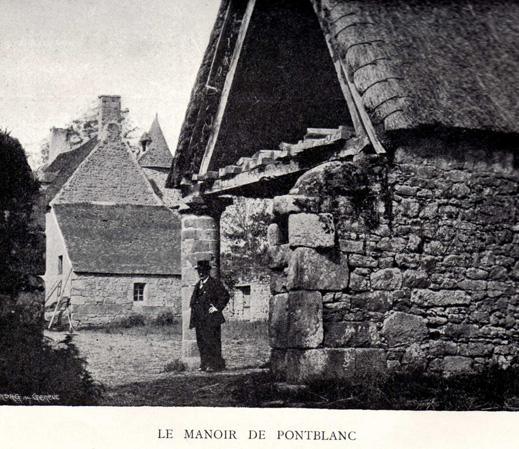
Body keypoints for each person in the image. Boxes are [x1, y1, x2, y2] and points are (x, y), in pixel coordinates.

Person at [189, 259, 230, 372]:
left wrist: (217, 307)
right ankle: (204, 363)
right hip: (200, 319)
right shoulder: (198, 285)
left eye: (203, 271)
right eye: (199, 271)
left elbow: (225, 296)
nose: (201, 274)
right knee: (201, 341)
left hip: (211, 319)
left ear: (207, 271)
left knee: (212, 341)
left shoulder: (214, 283)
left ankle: (214, 365)